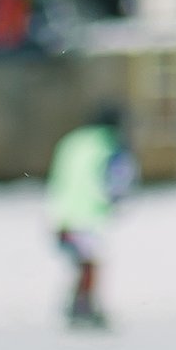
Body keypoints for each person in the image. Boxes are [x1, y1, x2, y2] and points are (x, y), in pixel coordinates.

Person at [44, 103, 137, 327]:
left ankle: (79, 304)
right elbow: (116, 178)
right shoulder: (108, 144)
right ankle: (83, 307)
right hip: (85, 215)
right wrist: (114, 201)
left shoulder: (73, 141)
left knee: (83, 262)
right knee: (91, 263)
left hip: (60, 212)